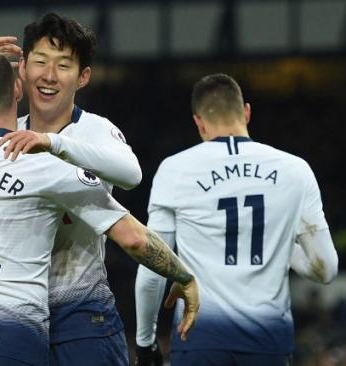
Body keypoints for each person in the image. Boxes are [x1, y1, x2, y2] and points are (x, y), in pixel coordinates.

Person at [0, 44, 199, 366]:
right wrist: (184, 277)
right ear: (17, 90)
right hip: (14, 339)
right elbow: (134, 238)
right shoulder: (46, 167)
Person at [134, 73, 339, 366]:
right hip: (268, 341)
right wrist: (284, 247)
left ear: (199, 122)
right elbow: (327, 268)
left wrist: (145, 342)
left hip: (199, 339)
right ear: (246, 112)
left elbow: (152, 269)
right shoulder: (296, 170)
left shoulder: (176, 169)